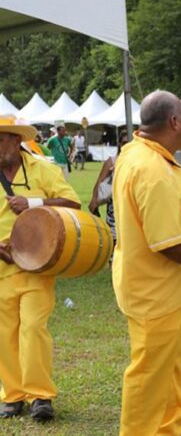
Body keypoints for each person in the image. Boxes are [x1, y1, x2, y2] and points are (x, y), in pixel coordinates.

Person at [112, 92, 181, 436]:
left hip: (160, 289)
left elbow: (171, 188)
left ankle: (168, 427)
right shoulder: (151, 170)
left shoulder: (137, 151)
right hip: (152, 291)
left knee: (172, 365)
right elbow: (166, 243)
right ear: (174, 122)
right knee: (148, 375)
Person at [0, 116, 80, 422]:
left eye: (1, 140)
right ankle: (13, 395)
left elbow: (73, 204)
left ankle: (40, 395)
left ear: (16, 141)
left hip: (36, 265)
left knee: (33, 327)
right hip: (1, 267)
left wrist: (34, 203)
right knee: (4, 333)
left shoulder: (43, 169)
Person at [89, 131, 130, 245]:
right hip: (115, 207)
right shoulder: (112, 161)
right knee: (115, 240)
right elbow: (99, 182)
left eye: (129, 143)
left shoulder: (142, 161)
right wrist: (94, 201)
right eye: (124, 143)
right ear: (119, 144)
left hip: (133, 206)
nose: (126, 146)